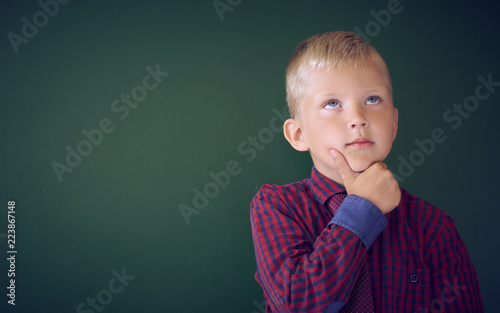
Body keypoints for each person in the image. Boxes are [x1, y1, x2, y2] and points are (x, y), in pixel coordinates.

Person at [250, 31, 484, 312]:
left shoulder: (433, 227)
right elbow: (297, 304)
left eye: (372, 100)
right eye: (332, 104)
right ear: (299, 134)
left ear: (394, 123)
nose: (358, 119)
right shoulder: (277, 206)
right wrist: (363, 209)